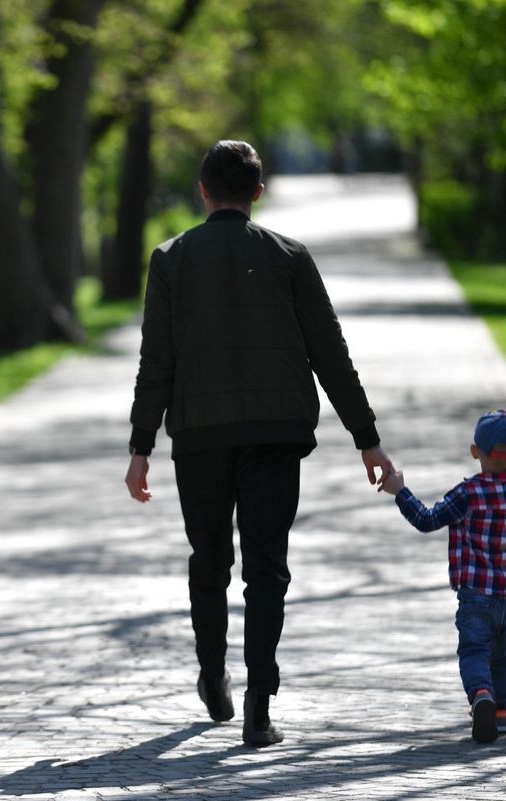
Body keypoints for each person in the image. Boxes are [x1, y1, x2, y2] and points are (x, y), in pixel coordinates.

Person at [124, 139, 394, 747]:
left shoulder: (170, 260)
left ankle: (212, 673)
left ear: (202, 191)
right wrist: (367, 439)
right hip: (275, 434)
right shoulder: (289, 257)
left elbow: (155, 362)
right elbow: (331, 353)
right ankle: (258, 703)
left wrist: (141, 445)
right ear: (257, 193)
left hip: (199, 437)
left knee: (210, 561)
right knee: (266, 568)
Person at [380, 409, 506, 744]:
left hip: (475, 595)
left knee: (474, 651)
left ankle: (482, 694)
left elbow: (426, 520)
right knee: (505, 652)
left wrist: (400, 491)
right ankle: (502, 713)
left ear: (474, 451)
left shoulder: (468, 494)